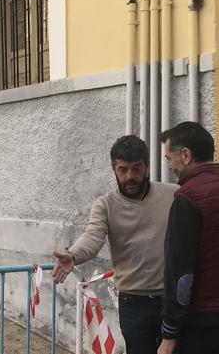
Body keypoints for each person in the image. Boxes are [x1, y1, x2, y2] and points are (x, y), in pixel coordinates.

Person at [51, 135, 178, 354]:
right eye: (123, 169)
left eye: (137, 169)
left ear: (147, 167)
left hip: (172, 300)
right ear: (114, 169)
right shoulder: (105, 205)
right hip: (133, 303)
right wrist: (72, 255)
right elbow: (93, 236)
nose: (130, 176)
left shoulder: (174, 195)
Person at [158, 122, 219, 354]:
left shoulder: (187, 198)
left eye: (168, 158)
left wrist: (169, 332)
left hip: (201, 323)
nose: (169, 165)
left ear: (185, 155)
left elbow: (180, 272)